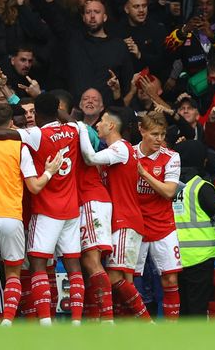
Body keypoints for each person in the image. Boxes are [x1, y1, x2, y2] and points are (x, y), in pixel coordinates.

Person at [0, 93, 86, 325]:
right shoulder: (75, 129)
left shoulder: (32, 135)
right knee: (62, 265)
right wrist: (48, 171)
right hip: (36, 213)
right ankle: (69, 321)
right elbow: (34, 185)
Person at [78, 109, 152, 320]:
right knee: (121, 281)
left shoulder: (120, 148)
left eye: (101, 121)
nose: (97, 124)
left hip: (125, 220)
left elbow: (90, 157)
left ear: (111, 125)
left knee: (112, 278)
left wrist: (81, 128)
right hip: (122, 219)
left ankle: (144, 323)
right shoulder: (117, 151)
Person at [133, 112, 182, 321]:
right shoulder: (128, 154)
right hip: (135, 226)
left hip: (163, 225)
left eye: (162, 134)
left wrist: (144, 174)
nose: (159, 139)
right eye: (154, 134)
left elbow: (170, 191)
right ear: (141, 131)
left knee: (170, 280)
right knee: (130, 281)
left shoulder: (171, 157)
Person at [174, 156, 215, 317]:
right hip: (201, 256)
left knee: (181, 308)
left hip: (176, 256)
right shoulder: (200, 186)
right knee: (198, 308)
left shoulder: (170, 185)